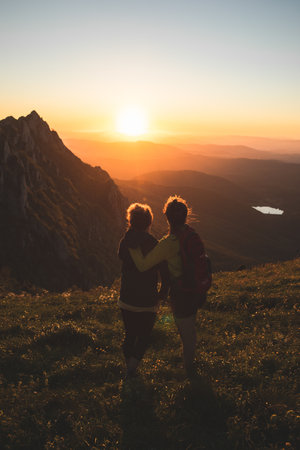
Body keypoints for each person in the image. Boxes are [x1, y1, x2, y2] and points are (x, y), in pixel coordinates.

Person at [129, 195, 208, 377]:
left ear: (167, 218)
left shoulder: (167, 244)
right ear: (186, 216)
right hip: (195, 291)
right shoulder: (190, 234)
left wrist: (131, 245)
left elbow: (143, 265)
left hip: (181, 294)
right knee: (190, 332)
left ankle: (190, 373)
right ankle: (190, 368)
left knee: (187, 335)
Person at [118, 203, 169, 379]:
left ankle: (129, 367)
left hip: (126, 299)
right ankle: (132, 368)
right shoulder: (154, 244)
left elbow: (121, 257)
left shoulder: (125, 243)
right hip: (148, 301)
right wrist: (162, 295)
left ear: (130, 222)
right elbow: (165, 273)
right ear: (149, 223)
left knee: (130, 335)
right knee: (144, 337)